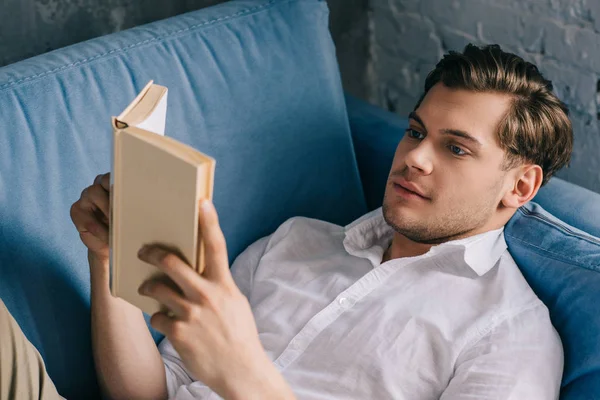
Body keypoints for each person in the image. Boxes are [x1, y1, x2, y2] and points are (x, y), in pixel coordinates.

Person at [0, 43, 572, 399]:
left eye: (456, 149)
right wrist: (109, 259)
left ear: (520, 186)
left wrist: (243, 376)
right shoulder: (297, 241)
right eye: (417, 132)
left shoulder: (510, 336)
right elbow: (148, 393)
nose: (415, 157)